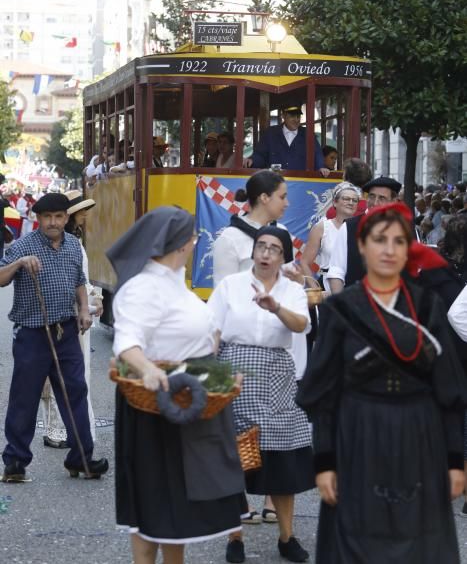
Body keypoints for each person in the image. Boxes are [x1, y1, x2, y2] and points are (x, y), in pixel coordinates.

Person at [297, 202, 467, 563]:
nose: (389, 250)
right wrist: (325, 462)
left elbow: (449, 393)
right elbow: (323, 395)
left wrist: (455, 461)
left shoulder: (427, 308)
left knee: (418, 543)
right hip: (357, 435)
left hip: (420, 439)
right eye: (379, 240)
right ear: (362, 247)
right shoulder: (340, 311)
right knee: (358, 542)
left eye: (398, 241)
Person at [108, 206, 245, 564]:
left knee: (179, 504)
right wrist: (148, 370)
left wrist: (219, 372)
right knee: (154, 500)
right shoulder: (144, 287)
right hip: (156, 405)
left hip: (188, 396)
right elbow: (127, 341)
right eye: (195, 236)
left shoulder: (174, 284)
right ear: (186, 243)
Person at [209, 226, 314, 564]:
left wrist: (275, 308)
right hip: (235, 370)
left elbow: (300, 325)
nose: (266, 254)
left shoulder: (291, 289)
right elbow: (213, 329)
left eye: (274, 249)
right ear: (253, 252)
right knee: (237, 457)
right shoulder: (231, 285)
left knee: (283, 458)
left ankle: (287, 537)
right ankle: (234, 537)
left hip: (277, 374)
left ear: (284, 257)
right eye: (261, 247)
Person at [0, 193, 108, 482]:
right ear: (38, 219)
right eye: (47, 217)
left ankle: (81, 459)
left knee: (75, 392)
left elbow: (79, 283)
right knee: (25, 397)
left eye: (59, 216)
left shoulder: (73, 245)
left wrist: (84, 310)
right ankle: (15, 462)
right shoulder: (23, 245)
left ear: (65, 218)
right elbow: (1, 277)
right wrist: (20, 263)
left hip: (66, 331)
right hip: (31, 335)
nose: (53, 222)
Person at [41, 190, 101, 448]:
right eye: (82, 211)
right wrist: (91, 300)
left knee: (69, 374)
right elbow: (69, 280)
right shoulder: (68, 243)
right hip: (70, 315)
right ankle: (59, 430)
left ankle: (64, 429)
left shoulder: (72, 241)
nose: (86, 215)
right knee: (67, 374)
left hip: (74, 313)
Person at [213, 169, 289, 286]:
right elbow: (223, 291)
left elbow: (288, 281)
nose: (287, 203)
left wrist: (298, 281)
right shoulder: (230, 238)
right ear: (264, 198)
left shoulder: (282, 232)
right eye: (282, 197)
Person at [327, 176, 401, 292]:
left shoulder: (405, 229)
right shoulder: (348, 228)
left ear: (393, 201)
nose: (375, 202)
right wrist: (341, 305)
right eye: (372, 196)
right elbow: (336, 271)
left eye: (382, 198)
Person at [301, 182, 360, 291]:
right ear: (335, 202)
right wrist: (316, 290)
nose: (350, 202)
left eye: (354, 200)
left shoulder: (362, 227)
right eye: (346, 199)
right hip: (327, 286)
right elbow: (304, 262)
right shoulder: (322, 227)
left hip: (354, 286)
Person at [248, 105, 325, 171]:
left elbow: (317, 154)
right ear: (283, 116)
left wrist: (321, 167)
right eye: (292, 116)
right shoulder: (271, 133)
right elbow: (260, 155)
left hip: (301, 183)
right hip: (275, 182)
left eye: (298, 116)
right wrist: (252, 160)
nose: (296, 120)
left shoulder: (308, 134)